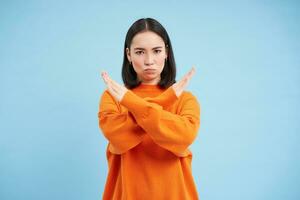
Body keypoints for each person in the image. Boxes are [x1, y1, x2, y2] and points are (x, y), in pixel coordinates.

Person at [98, 18, 201, 200]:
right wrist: (166, 99)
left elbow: (184, 137)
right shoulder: (112, 97)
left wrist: (131, 102)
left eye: (156, 51)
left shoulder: (185, 98)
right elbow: (118, 137)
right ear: (128, 55)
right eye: (139, 52)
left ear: (166, 53)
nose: (149, 61)